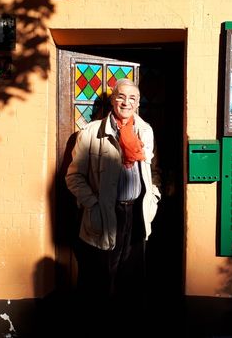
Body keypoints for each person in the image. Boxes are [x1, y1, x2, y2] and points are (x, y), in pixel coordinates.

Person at [65, 78, 161, 307]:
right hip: (105, 213)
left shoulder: (146, 131)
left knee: (131, 278)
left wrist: (153, 198)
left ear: (138, 103)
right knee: (99, 278)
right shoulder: (90, 133)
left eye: (132, 98)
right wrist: (94, 205)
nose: (126, 102)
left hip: (137, 214)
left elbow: (154, 171)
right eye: (121, 97)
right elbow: (73, 177)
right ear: (113, 100)